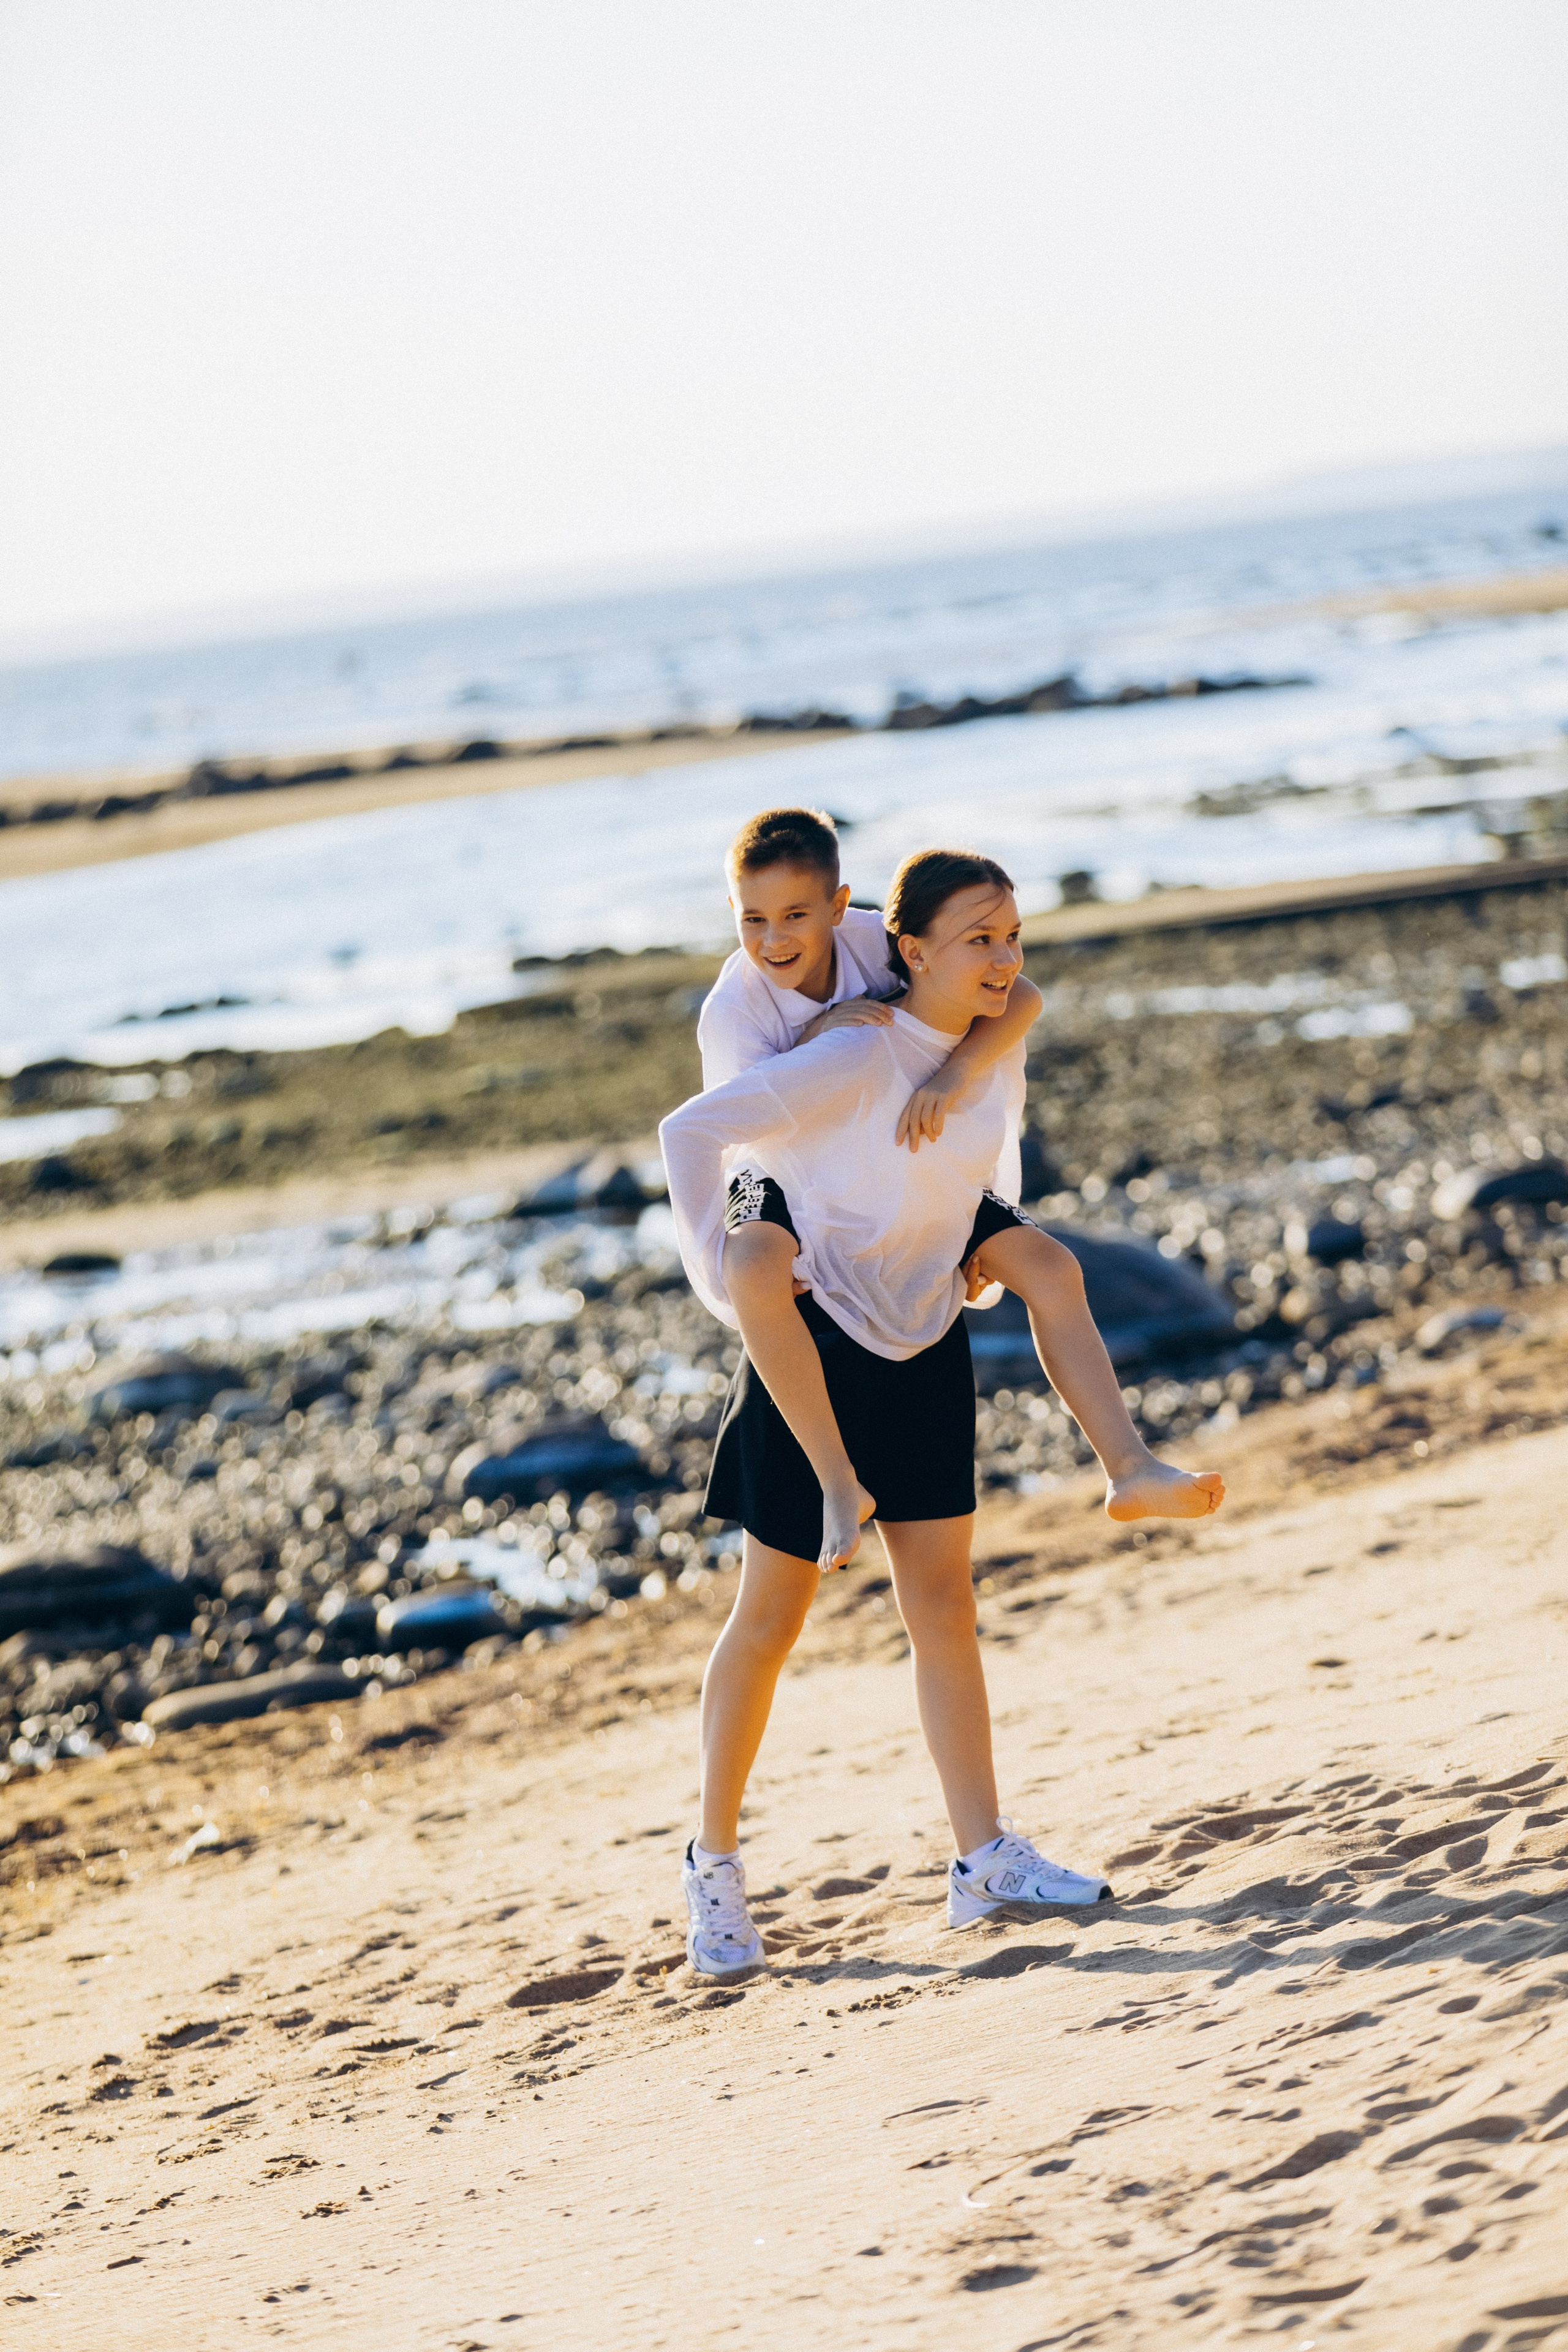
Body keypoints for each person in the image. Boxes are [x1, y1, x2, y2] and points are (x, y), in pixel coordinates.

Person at [659, 848, 1226, 1977]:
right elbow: (700, 1135)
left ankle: (984, 1860)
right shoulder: (828, 1046)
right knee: (768, 1624)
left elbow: (1000, 1044)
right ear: (912, 948)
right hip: (812, 1335)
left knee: (945, 1604)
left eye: (1013, 933)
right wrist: (725, 1283)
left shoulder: (975, 1026)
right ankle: (711, 1868)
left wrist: (974, 1197)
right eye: (982, 940)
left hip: (919, 1313)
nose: (1006, 959)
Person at [698, 805, 1044, 1574]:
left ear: (838, 904)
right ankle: (833, 1481)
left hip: (885, 1148)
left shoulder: (880, 944)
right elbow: (734, 1136)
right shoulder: (734, 1014)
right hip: (772, 1158)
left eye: (795, 915)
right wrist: (817, 1043)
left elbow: (1015, 999)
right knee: (753, 1265)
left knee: (1049, 1266)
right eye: (752, 919)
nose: (774, 938)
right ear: (732, 912)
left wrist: (956, 1076)